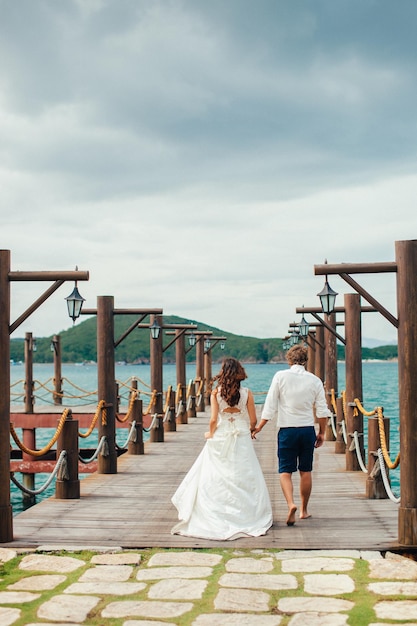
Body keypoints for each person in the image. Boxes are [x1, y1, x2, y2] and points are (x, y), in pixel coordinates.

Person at [171, 357, 273, 540]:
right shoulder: (247, 393)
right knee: (244, 473)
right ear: (239, 373)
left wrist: (210, 434)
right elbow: (253, 420)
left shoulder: (216, 393)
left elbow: (212, 420)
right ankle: (246, 514)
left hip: (221, 434)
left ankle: (216, 512)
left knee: (216, 475)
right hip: (241, 435)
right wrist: (251, 430)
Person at [252, 344, 332, 526]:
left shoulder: (280, 376)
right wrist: (322, 433)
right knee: (306, 470)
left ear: (289, 360)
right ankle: (304, 510)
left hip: (287, 430)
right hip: (307, 430)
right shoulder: (315, 380)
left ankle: (291, 504)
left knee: (285, 471)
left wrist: (259, 427)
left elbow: (270, 405)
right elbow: (322, 410)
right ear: (306, 361)